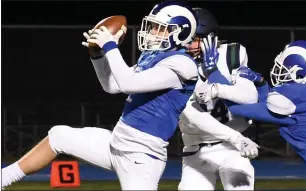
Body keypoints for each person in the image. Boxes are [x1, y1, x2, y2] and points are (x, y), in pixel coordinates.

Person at [2, 1, 199, 190]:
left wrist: (111, 47)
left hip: (142, 157)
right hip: (117, 142)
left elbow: (128, 83)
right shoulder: (152, 56)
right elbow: (112, 85)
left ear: (179, 33)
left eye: (159, 28)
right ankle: (4, 179)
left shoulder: (184, 64)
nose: (152, 32)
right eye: (152, 26)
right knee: (58, 135)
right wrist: (97, 55)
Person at [195, 38, 306, 190]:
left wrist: (213, 72)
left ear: (300, 74)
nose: (279, 72)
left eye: (284, 70)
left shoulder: (292, 99)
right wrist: (262, 83)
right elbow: (272, 105)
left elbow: (236, 107)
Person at [178, 8, 259, 190]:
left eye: (194, 39)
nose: (189, 45)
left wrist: (215, 84)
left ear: (211, 37)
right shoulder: (175, 63)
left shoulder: (231, 54)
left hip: (234, 150)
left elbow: (249, 98)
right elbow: (190, 115)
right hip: (195, 150)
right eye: (186, 39)